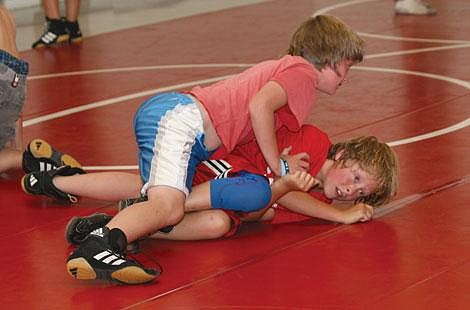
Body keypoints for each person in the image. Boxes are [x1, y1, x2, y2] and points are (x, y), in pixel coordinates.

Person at [23, 14, 365, 284]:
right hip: (182, 122)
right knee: (169, 206)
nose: (346, 77)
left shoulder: (289, 71)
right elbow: (259, 106)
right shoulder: (302, 73)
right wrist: (278, 165)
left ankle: (69, 192)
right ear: (329, 58)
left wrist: (281, 162)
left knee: (156, 194)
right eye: (347, 67)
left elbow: (256, 120)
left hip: (189, 131)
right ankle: (101, 244)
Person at [62, 125, 398, 244]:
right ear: (341, 154)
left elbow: (259, 215)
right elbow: (280, 194)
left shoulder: (314, 205)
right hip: (218, 165)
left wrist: (281, 196)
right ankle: (62, 180)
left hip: (222, 192)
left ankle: (116, 225)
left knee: (218, 222)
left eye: (360, 192)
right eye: (355, 178)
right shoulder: (314, 143)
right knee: (156, 191)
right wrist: (339, 216)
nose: (351, 192)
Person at [0, 5, 81, 176]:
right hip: (17, 80)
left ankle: (19, 158)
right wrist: (15, 145)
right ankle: (22, 157)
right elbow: (14, 104)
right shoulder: (5, 14)